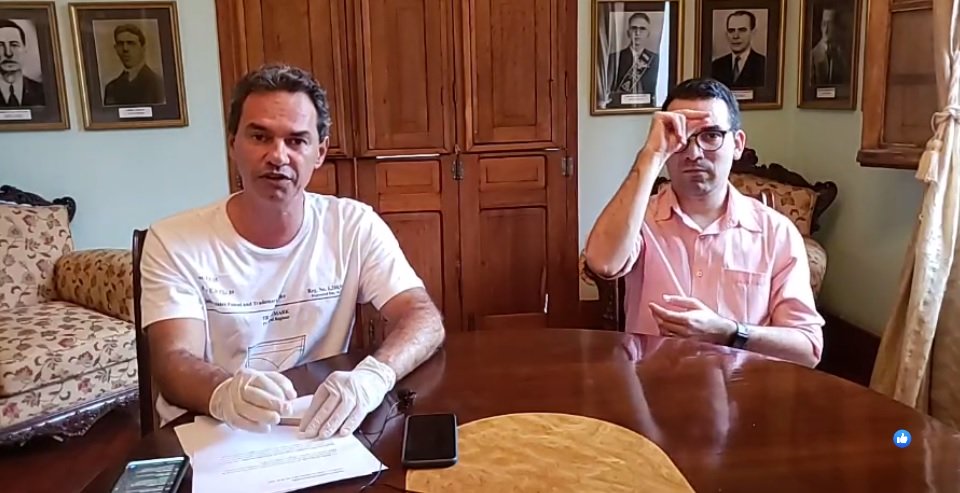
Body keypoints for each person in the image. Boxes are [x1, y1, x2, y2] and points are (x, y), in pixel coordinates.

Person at [139, 63, 446, 439]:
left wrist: (373, 377)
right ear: (233, 144)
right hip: (212, 430)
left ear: (320, 152)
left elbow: (423, 318)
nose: (278, 156)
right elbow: (173, 361)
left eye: (296, 141)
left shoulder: (352, 225)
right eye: (260, 137)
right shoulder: (173, 239)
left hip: (318, 429)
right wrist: (224, 392)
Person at [583, 78, 824, 368]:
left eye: (711, 136)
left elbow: (807, 349)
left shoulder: (775, 233)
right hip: (652, 384)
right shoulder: (639, 219)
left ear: (738, 144)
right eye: (681, 137)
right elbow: (602, 262)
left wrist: (730, 332)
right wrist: (651, 155)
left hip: (742, 389)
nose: (694, 153)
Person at [606, 13, 659, 107]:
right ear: (628, 32)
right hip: (619, 110)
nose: (637, 33)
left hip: (648, 109)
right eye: (634, 28)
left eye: (642, 29)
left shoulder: (656, 59)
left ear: (648, 34)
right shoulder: (614, 58)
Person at [103, 24, 164, 106]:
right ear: (116, 48)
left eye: (131, 43)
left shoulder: (158, 84)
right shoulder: (111, 88)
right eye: (120, 44)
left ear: (143, 48)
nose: (125, 49)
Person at [710, 11, 766, 88]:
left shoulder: (763, 64)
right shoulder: (716, 65)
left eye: (742, 30)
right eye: (731, 30)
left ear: (753, 33)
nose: (735, 36)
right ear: (726, 34)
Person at [0, 19, 44, 107]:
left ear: (24, 49)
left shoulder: (43, 92)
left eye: (14, 45)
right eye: (0, 45)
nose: (8, 53)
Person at [810, 8, 848, 86]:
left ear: (836, 27)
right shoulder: (813, 55)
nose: (826, 30)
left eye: (830, 25)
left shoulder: (841, 56)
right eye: (824, 24)